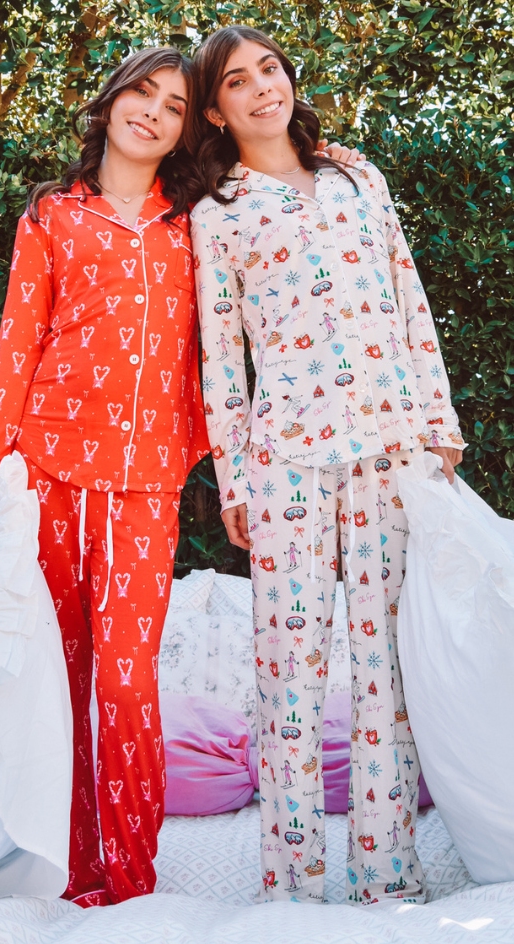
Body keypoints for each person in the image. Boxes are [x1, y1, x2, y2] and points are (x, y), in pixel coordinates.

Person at [0, 44, 361, 906]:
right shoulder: (51, 216)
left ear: (188, 128)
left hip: (147, 485)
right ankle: (73, 877)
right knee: (61, 679)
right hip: (49, 475)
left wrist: (202, 459)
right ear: (110, 101)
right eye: (141, 93)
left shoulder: (197, 226)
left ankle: (132, 884)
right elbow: (16, 344)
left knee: (124, 682)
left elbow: (215, 360)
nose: (152, 111)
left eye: (174, 105)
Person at [191, 25, 464, 906]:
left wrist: (439, 422)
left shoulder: (358, 177)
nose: (263, 87)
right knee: (290, 668)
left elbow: (406, 292)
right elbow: (221, 362)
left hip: (389, 446)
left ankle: (389, 880)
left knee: (385, 662)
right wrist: (234, 476)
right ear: (215, 109)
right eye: (239, 81)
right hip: (285, 463)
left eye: (269, 68)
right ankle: (293, 889)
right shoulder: (217, 213)